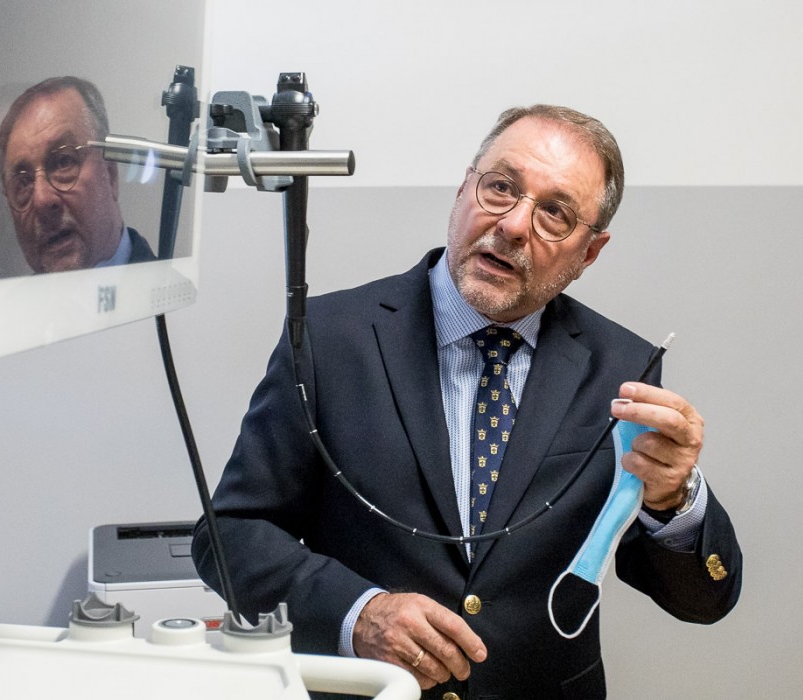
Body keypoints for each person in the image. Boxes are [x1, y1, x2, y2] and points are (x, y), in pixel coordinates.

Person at [191, 105, 742, 699]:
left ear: (589, 253)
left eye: (555, 213)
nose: (513, 225)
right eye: (500, 187)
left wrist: (672, 497)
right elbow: (230, 535)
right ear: (462, 190)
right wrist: (358, 613)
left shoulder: (622, 369)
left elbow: (702, 601)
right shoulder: (328, 338)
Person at [0, 76, 156, 273]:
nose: (42, 199)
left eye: (63, 162)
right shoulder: (0, 296)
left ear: (110, 174)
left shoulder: (173, 290)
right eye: (23, 182)